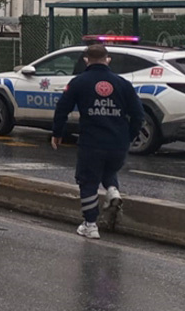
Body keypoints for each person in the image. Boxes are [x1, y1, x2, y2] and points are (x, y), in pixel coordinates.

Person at [51, 43, 144, 240]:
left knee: (88, 181)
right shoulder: (123, 84)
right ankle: (112, 191)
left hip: (91, 142)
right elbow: (138, 114)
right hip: (118, 143)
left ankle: (91, 224)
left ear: (86, 60)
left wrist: (57, 133)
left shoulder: (79, 82)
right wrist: (129, 136)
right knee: (109, 170)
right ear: (107, 59)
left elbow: (62, 109)